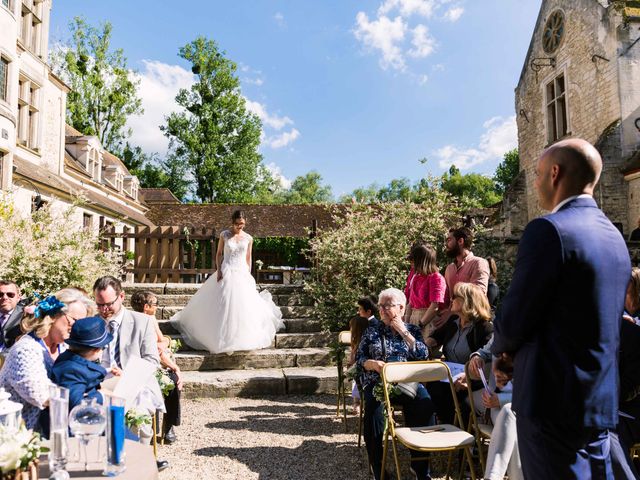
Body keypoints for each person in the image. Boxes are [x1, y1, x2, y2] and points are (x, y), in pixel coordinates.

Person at [491, 138, 635, 479]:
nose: (537, 182)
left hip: (550, 401)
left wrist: (504, 354)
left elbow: (515, 317)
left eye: (538, 173)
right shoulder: (614, 236)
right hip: (598, 399)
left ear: (555, 173)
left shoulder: (549, 230)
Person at [170, 210, 284, 353]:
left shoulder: (249, 238)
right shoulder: (224, 235)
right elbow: (218, 254)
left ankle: (240, 337)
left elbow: (248, 257)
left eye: (241, 224)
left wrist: (248, 274)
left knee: (243, 306)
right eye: (237, 224)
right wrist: (219, 270)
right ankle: (220, 336)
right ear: (232, 222)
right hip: (227, 270)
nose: (239, 227)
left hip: (242, 272)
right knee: (223, 302)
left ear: (245, 222)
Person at [356, 288, 434, 480]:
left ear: (401, 307)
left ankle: (420, 466)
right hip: (378, 383)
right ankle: (379, 469)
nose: (382, 309)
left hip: (408, 383)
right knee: (373, 413)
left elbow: (423, 355)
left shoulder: (413, 329)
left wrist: (403, 331)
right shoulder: (371, 331)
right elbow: (359, 359)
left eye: (387, 306)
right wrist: (371, 363)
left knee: (425, 404)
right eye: (380, 306)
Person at [0, 289, 91, 429]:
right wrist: (92, 397)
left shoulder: (64, 347)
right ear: (54, 315)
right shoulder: (26, 349)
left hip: (52, 431)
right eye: (74, 320)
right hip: (21, 439)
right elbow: (41, 395)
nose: (77, 327)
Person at [425, 282, 493, 425]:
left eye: (455, 297)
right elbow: (437, 336)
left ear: (467, 301)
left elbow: (487, 362)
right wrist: (430, 341)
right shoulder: (453, 321)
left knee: (449, 394)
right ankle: (447, 430)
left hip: (473, 380)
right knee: (432, 386)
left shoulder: (484, 328)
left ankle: (462, 440)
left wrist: (469, 377)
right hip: (451, 376)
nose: (451, 300)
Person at [130, 291, 182, 444]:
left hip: (158, 360)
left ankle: (168, 425)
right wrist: (175, 367)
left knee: (173, 380)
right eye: (155, 304)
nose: (157, 307)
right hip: (146, 367)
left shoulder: (151, 318)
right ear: (146, 307)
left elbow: (162, 340)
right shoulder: (139, 322)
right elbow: (155, 352)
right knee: (174, 381)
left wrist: (164, 343)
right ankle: (164, 426)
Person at [51, 316, 113, 411]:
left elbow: (86, 374)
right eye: (103, 348)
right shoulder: (71, 371)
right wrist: (101, 396)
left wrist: (108, 373)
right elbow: (76, 405)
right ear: (96, 349)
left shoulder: (71, 360)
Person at [432, 227, 489, 330]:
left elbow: (477, 296)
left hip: (471, 325)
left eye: (449, 240)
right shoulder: (449, 268)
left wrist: (450, 313)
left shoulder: (479, 263)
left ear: (460, 241)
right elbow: (446, 299)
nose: (446, 244)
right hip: (451, 324)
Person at [404, 243, 446, 335]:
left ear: (421, 261)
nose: (411, 263)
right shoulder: (416, 277)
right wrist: (406, 325)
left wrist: (420, 325)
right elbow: (411, 303)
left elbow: (434, 306)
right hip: (413, 319)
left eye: (413, 260)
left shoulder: (436, 278)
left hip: (428, 321)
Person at [347, 314, 369, 414]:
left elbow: (351, 361)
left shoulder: (360, 343)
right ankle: (358, 404)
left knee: (356, 379)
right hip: (361, 371)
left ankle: (357, 404)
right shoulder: (357, 342)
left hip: (363, 373)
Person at [0, 280, 24, 351]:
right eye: (0, 294)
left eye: (10, 294)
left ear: (18, 297)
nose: (5, 297)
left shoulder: (27, 316)